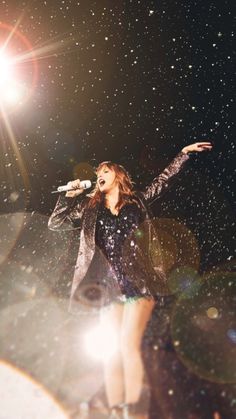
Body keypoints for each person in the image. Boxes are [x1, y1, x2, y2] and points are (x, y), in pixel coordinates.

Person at [48, 142, 212, 419]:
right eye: (98, 171)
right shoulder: (90, 209)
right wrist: (67, 196)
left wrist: (183, 155)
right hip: (107, 285)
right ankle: (116, 412)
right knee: (112, 350)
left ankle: (133, 411)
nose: (99, 173)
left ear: (118, 176)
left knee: (128, 345)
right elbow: (56, 223)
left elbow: (163, 181)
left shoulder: (137, 200)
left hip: (138, 282)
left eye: (105, 170)